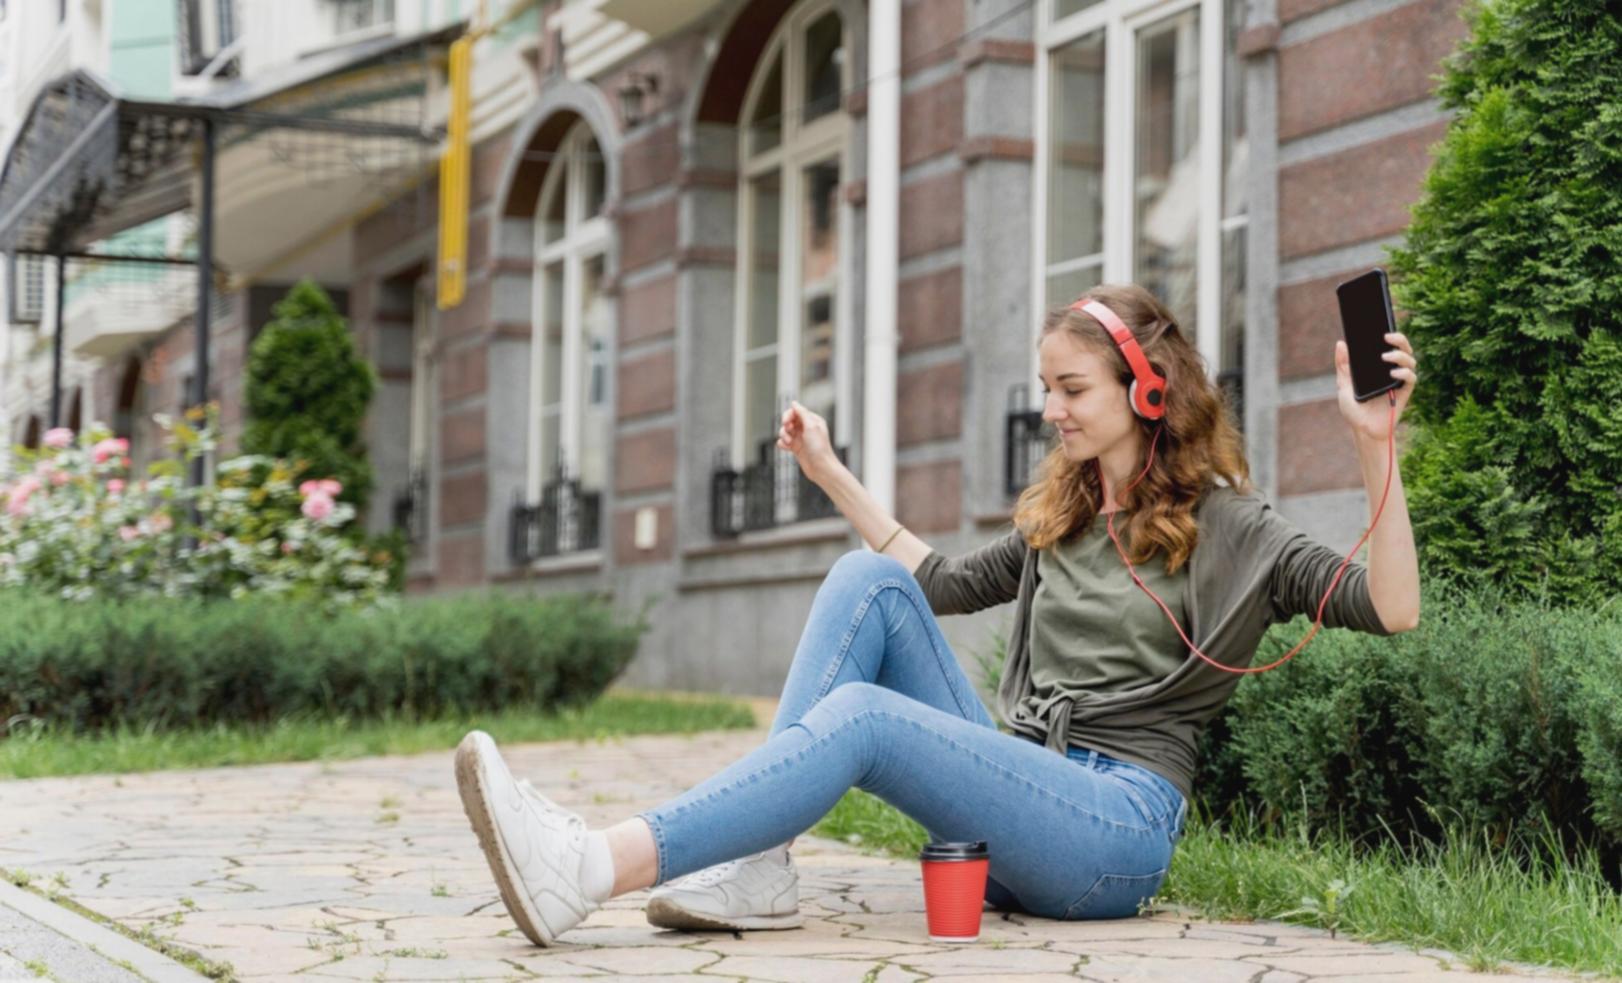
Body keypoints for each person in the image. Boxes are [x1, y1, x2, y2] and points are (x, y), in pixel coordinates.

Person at [453, 282, 1422, 946]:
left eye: (1071, 389)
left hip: (1110, 833)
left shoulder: (1234, 526)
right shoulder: (1067, 513)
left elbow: (1389, 606)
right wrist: (829, 472)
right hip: (1020, 795)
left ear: (1148, 389)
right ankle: (757, 865)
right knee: (863, 580)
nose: (1051, 409)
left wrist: (1374, 444)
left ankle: (589, 866)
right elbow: (936, 581)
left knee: (865, 717)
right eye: (1045, 388)